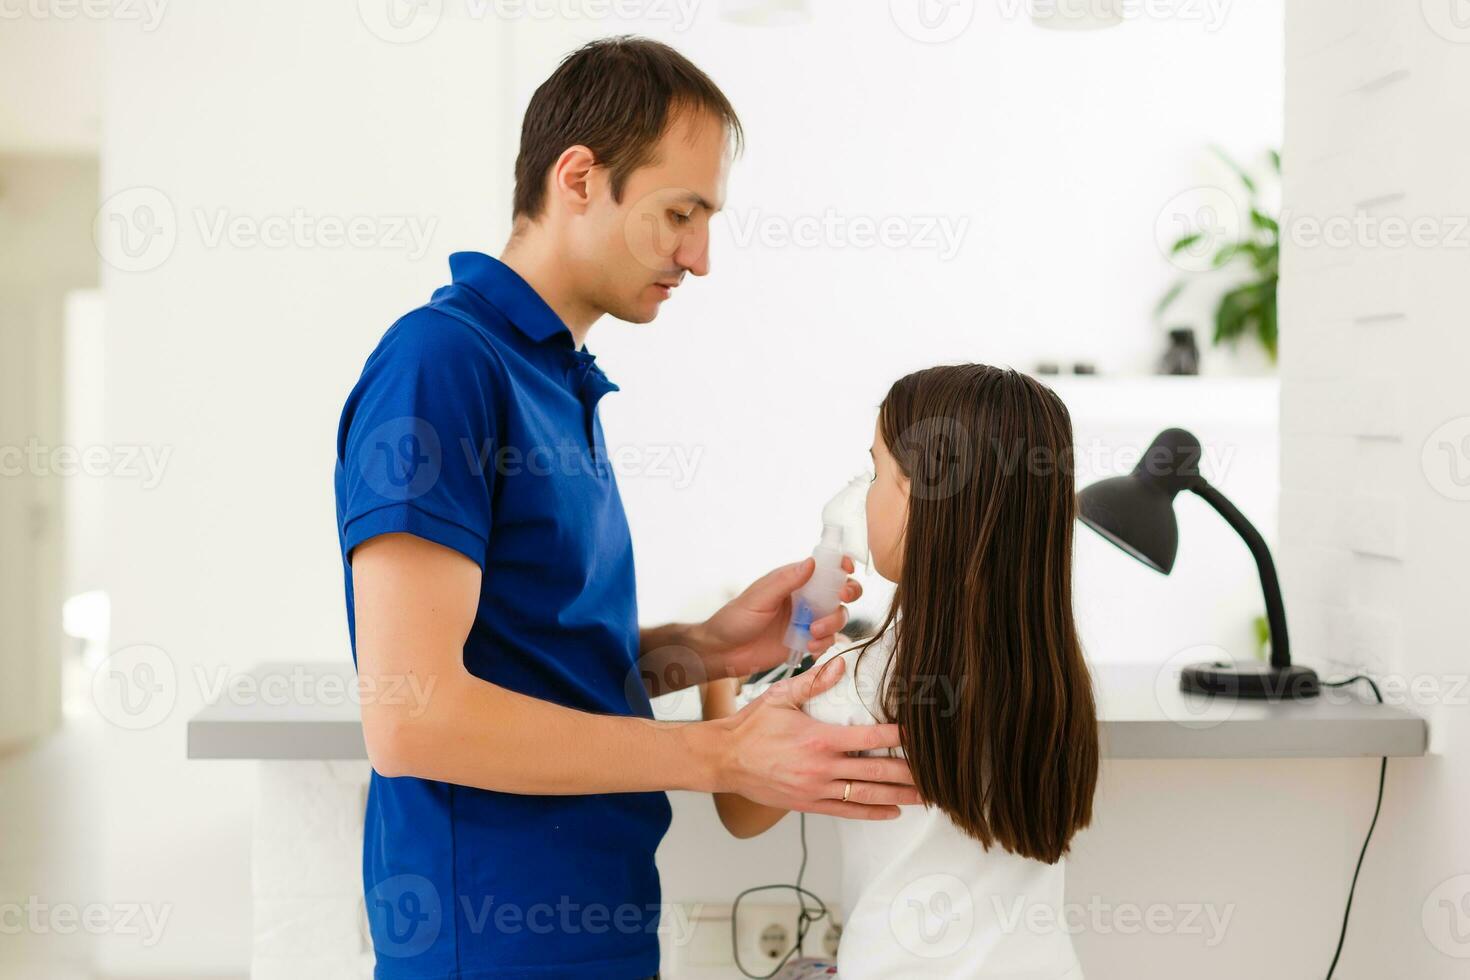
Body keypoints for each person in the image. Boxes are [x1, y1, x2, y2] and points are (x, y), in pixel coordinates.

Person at [334, 37, 920, 979]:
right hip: (491, 939)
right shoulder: (441, 365)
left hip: (596, 918)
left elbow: (534, 666)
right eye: (679, 213)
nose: (700, 256)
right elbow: (414, 719)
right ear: (577, 176)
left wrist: (712, 649)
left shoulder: (557, 380)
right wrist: (723, 754)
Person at [703, 364, 1101, 979]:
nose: (863, 494)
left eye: (876, 470)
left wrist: (715, 674)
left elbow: (739, 810)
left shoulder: (853, 683)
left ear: (921, 494)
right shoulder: (1054, 673)